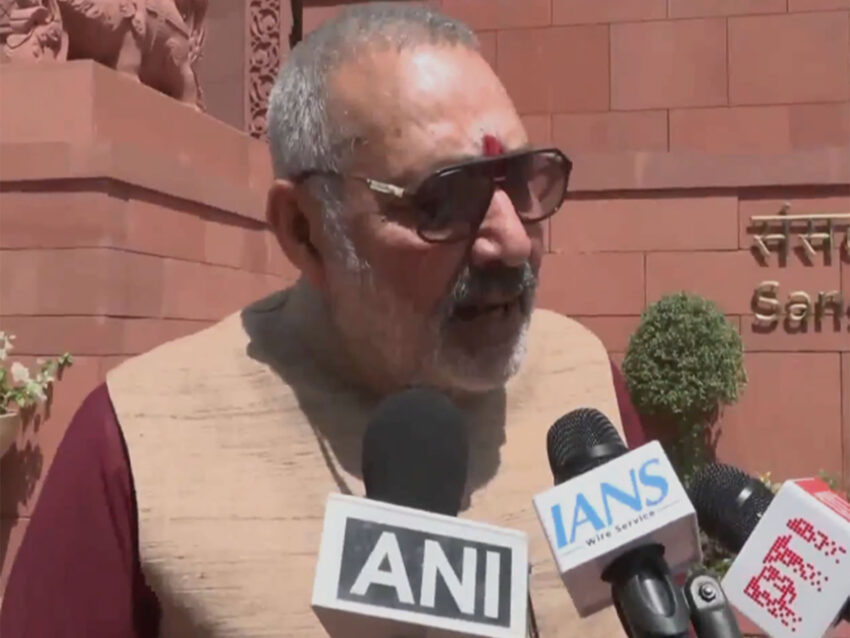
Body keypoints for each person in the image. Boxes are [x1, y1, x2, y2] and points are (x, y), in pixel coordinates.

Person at [1, 3, 647, 636]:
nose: (512, 242)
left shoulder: (584, 386)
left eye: (523, 179)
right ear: (306, 231)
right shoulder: (136, 442)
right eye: (444, 199)